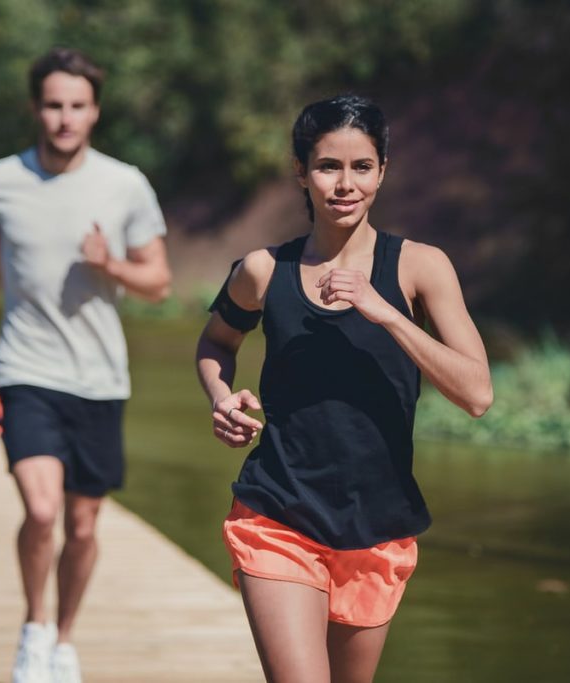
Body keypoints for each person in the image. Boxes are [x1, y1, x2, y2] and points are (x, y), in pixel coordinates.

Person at [195, 94, 493, 683]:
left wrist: (383, 311)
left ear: (383, 170)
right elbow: (216, 344)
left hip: (377, 525)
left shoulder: (420, 267)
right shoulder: (263, 270)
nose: (344, 184)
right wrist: (221, 396)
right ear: (301, 173)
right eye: (328, 166)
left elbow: (477, 393)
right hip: (277, 512)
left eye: (362, 167)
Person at [0, 47, 171, 683]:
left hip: (100, 377)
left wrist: (112, 266)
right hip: (25, 368)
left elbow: (158, 281)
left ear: (95, 111)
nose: (65, 118)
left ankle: (65, 640)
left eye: (77, 106)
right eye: (53, 105)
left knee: (81, 525)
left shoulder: (125, 184)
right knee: (43, 510)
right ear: (35, 108)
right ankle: (34, 625)